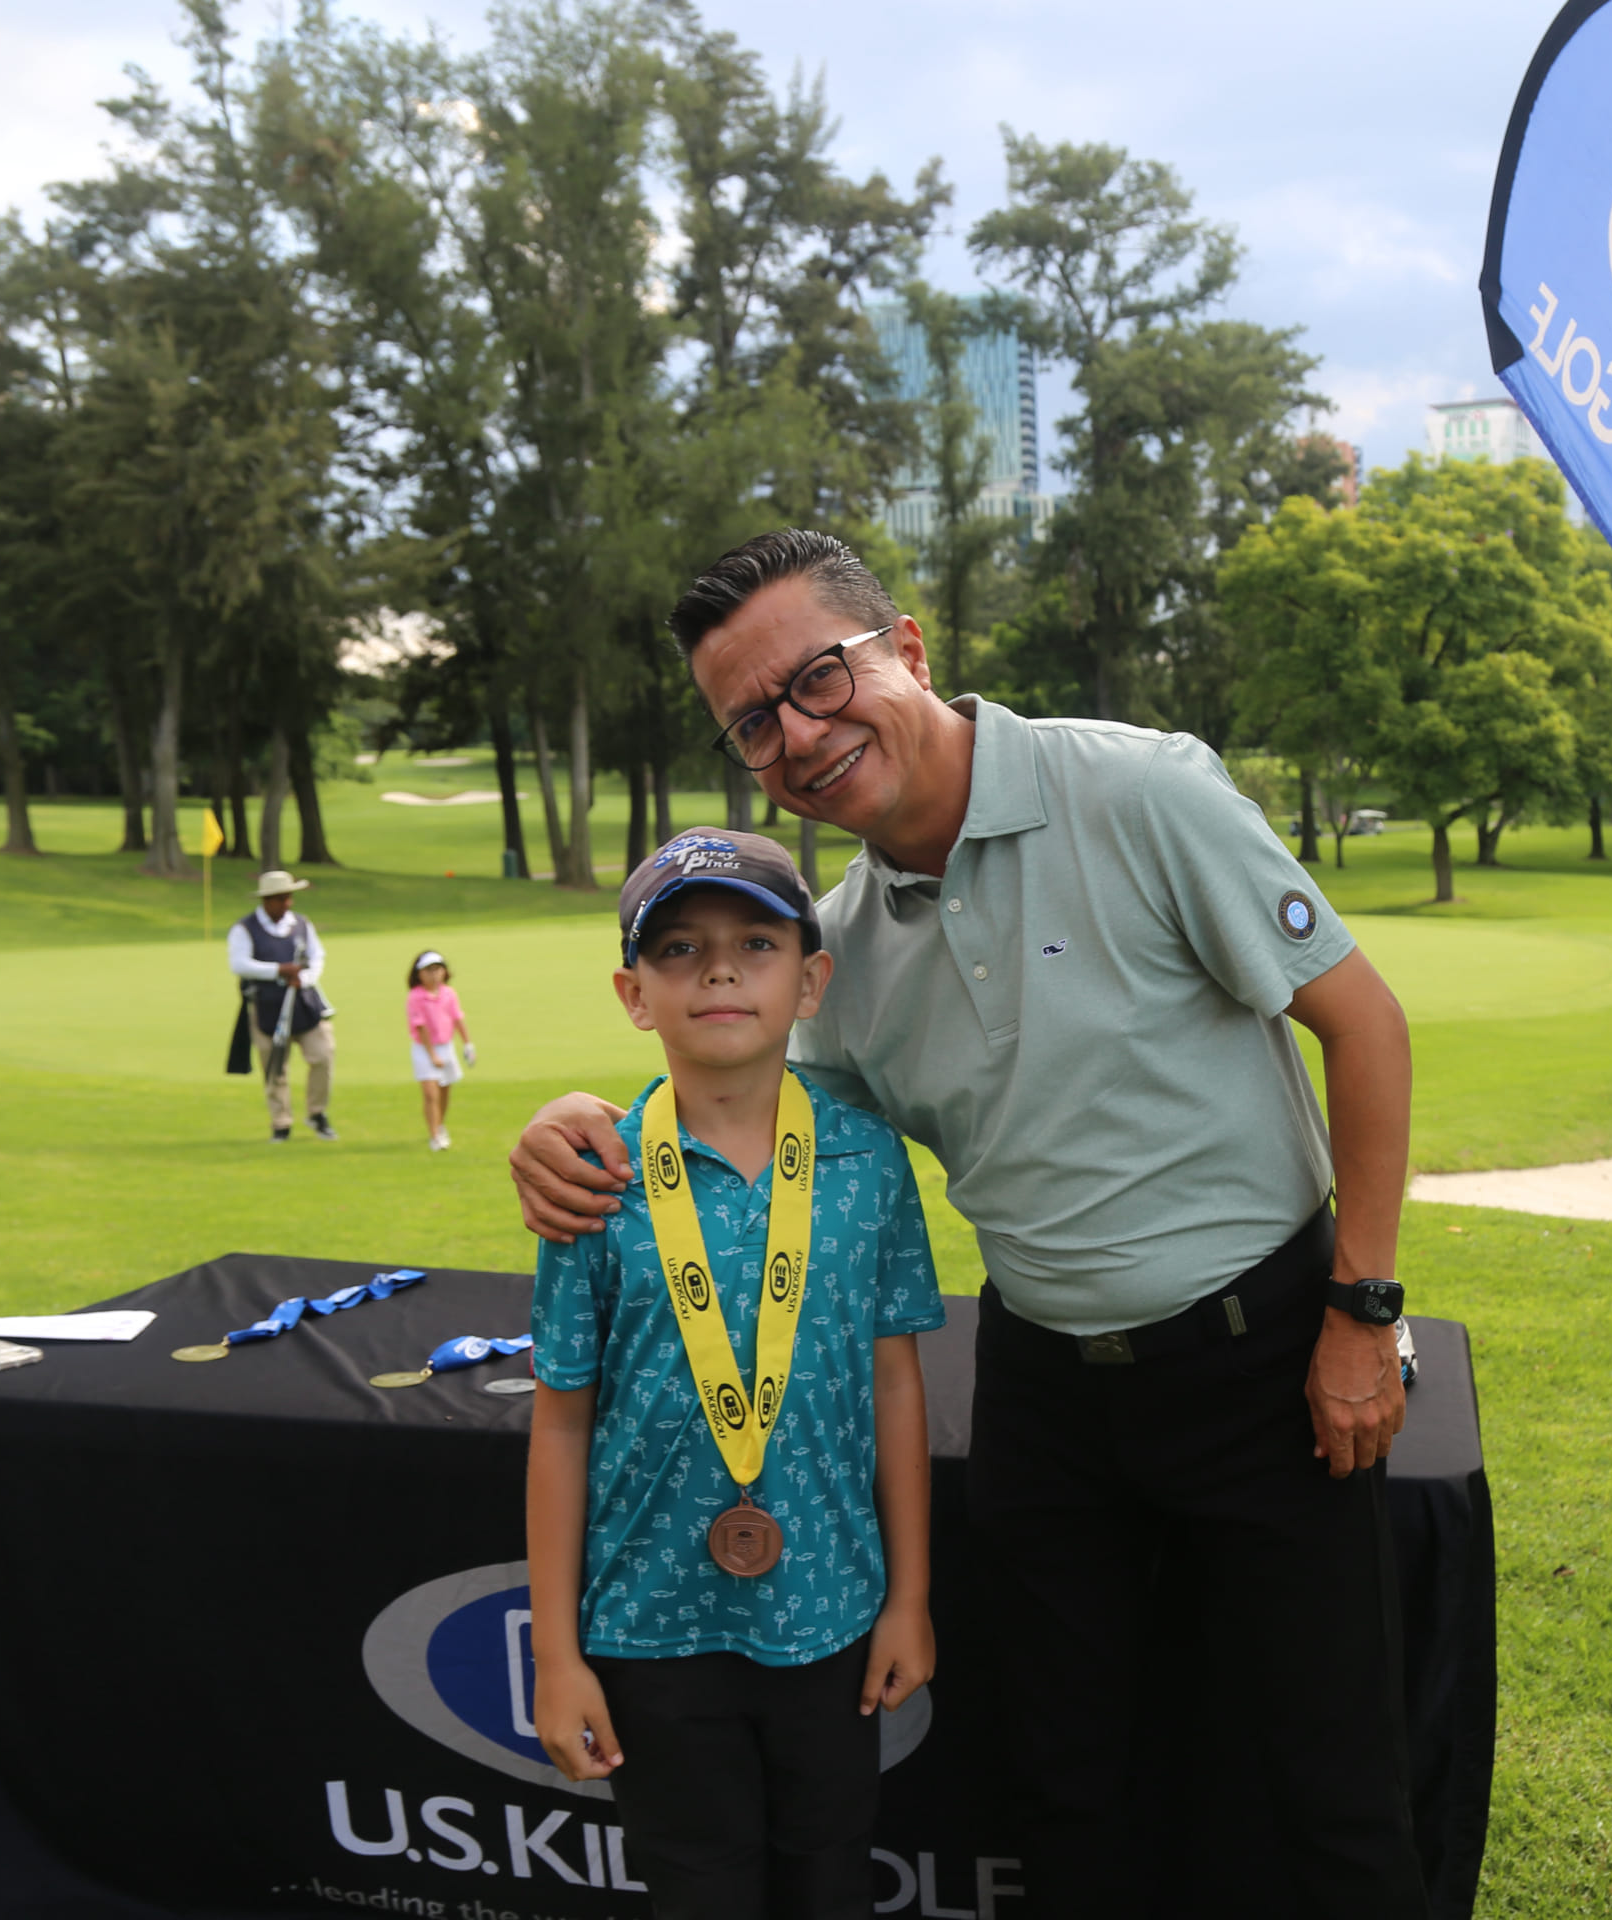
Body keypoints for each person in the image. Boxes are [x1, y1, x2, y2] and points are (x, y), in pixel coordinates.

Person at [511, 530, 1427, 1918]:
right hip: (1047, 1395)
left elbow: (1365, 1026)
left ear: (909, 650)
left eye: (819, 678)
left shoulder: (1139, 789)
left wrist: (1362, 1309)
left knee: (1330, 1778)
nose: (797, 735)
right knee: (1064, 1779)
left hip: (1265, 1358)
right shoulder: (839, 950)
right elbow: (727, 1098)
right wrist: (576, 1119)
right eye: (752, 722)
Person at [525, 827, 942, 1920]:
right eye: (680, 949)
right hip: (647, 1627)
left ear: (810, 982)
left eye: (755, 943)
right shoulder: (594, 1177)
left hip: (832, 1613)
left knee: (829, 1884)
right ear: (635, 994)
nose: (718, 971)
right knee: (698, 1895)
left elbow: (897, 1385)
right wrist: (558, 1656)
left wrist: (908, 1598)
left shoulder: (867, 1161)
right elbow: (560, 1423)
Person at [228, 869, 336, 1142]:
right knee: (275, 1067)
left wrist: (305, 978)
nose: (287, 903)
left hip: (304, 1002)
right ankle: (281, 1123)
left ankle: (316, 1113)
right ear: (267, 900)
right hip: (266, 1006)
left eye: (288, 897)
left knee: (323, 1055)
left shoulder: (301, 924)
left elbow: (317, 956)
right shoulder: (245, 928)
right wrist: (279, 970)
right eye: (281, 898)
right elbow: (239, 964)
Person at [405, 950, 475, 1151]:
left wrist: (467, 1044)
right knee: (430, 1094)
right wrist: (432, 1055)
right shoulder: (416, 996)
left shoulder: (448, 993)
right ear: (419, 974)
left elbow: (457, 1018)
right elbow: (421, 1027)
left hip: (446, 1046)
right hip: (424, 1049)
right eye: (428, 970)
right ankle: (434, 1135)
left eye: (437, 969)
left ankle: (440, 1125)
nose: (434, 974)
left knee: (444, 1091)